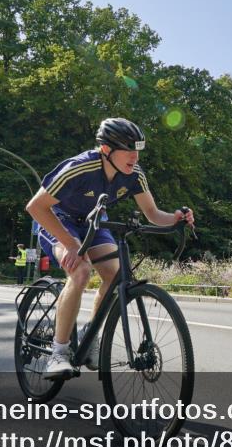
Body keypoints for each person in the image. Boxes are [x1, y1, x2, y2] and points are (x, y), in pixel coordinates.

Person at [26, 117, 195, 380]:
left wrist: (175, 218)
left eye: (137, 150)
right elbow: (35, 207)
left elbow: (152, 214)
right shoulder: (79, 168)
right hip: (58, 220)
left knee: (114, 273)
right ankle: (58, 353)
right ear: (106, 150)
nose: (135, 157)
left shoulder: (134, 175)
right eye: (129, 150)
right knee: (80, 272)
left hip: (94, 221)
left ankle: (89, 336)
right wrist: (71, 245)